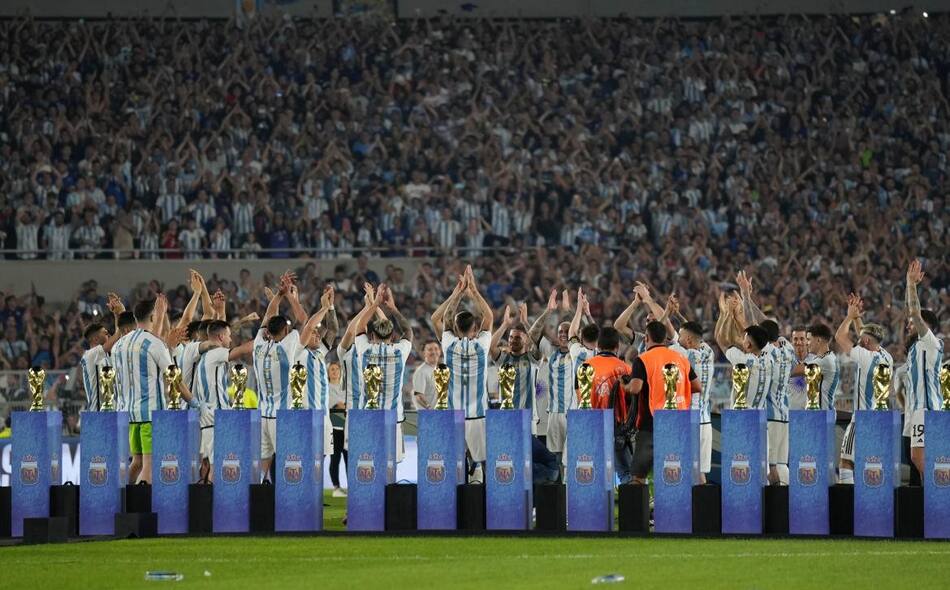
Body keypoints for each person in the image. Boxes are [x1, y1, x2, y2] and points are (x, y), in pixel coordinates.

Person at [111, 295, 199, 484]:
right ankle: (144, 509)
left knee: (137, 462)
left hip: (129, 414)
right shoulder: (154, 344)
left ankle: (122, 500)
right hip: (150, 414)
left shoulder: (119, 345)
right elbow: (173, 377)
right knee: (149, 465)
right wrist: (195, 403)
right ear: (152, 317)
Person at [431, 265, 493, 483]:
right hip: (478, 414)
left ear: (455, 329)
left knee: (455, 459)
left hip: (454, 413)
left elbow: (438, 319)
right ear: (474, 328)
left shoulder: (449, 344)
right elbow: (489, 316)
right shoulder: (482, 345)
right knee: (485, 460)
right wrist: (473, 291)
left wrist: (456, 294)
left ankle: (455, 502)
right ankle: (489, 500)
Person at [628, 321, 699, 484]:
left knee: (639, 476)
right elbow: (696, 386)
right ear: (666, 339)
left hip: (651, 424)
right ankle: (675, 508)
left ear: (646, 338)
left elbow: (635, 388)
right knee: (673, 473)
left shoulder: (643, 359)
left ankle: (642, 509)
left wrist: (625, 386)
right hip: (678, 422)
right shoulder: (680, 358)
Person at [834, 293, 893, 485]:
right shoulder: (886, 356)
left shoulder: (865, 358)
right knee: (871, 463)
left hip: (862, 418)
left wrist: (850, 316)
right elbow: (863, 335)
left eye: (861, 339)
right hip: (880, 418)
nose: (858, 340)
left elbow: (840, 336)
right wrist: (858, 316)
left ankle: (848, 502)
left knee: (846, 461)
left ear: (866, 343)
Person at [252, 272, 303, 481]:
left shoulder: (258, 344)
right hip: (281, 415)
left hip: (262, 414)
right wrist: (290, 296)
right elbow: (303, 320)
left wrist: (278, 296)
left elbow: (267, 317)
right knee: (286, 458)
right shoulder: (287, 346)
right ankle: (286, 502)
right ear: (285, 330)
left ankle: (260, 498)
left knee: (263, 460)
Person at [354, 284, 413, 462]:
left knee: (368, 463)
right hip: (392, 417)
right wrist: (392, 308)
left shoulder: (364, 350)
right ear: (393, 336)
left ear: (371, 336)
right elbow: (408, 331)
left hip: (368, 417)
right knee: (390, 464)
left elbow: (359, 326)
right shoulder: (400, 351)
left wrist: (374, 304)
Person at [192, 320, 253, 483]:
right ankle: (211, 506)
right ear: (220, 337)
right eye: (228, 336)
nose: (230, 340)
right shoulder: (216, 353)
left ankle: (204, 504)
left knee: (208, 464)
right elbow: (242, 350)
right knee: (216, 466)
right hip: (215, 417)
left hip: (208, 418)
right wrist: (263, 337)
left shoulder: (205, 357)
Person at [490, 290, 556, 433]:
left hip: (528, 416)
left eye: (517, 338)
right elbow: (490, 346)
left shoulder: (533, 358)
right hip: (506, 414)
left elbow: (536, 334)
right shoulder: (503, 358)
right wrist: (504, 325)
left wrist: (547, 312)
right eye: (511, 338)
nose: (513, 341)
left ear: (526, 340)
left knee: (527, 454)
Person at [903, 259, 944, 480]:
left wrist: (911, 285)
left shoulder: (931, 342)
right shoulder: (915, 348)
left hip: (926, 409)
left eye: (914, 323)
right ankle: (932, 503)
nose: (909, 325)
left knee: (921, 459)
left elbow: (915, 314)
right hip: (916, 410)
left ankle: (939, 498)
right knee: (920, 459)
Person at [584, 327, 635, 483]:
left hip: (590, 427)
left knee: (592, 474)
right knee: (626, 473)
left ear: (598, 346)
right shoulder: (625, 368)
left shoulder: (585, 367)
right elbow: (632, 400)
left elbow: (580, 397)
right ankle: (633, 507)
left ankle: (595, 506)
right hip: (617, 429)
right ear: (617, 346)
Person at [670, 320, 714, 483]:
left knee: (685, 472)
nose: (677, 338)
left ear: (688, 340)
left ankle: (688, 507)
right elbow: (693, 333)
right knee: (700, 474)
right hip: (705, 422)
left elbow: (669, 336)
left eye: (680, 336)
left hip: (690, 421)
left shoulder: (683, 354)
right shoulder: (709, 352)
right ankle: (704, 508)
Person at [79, 292, 125, 411]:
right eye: (105, 333)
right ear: (95, 338)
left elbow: (118, 337)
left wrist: (116, 315)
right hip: (98, 413)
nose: (108, 334)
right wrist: (120, 313)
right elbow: (117, 335)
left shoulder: (102, 356)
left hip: (110, 412)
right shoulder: (91, 354)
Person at [327, 362, 348, 497]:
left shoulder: (346, 388)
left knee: (348, 457)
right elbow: (339, 405)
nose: (335, 372)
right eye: (332, 370)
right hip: (334, 426)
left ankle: (352, 485)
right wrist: (343, 405)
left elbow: (346, 404)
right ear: (328, 373)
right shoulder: (326, 388)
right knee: (335, 458)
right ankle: (336, 488)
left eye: (337, 369)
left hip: (347, 426)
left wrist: (344, 406)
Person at [412, 340, 442, 410]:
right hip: (428, 415)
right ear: (424, 353)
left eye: (436, 349)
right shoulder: (421, 372)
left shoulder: (439, 370)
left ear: (440, 351)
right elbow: (418, 396)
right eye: (430, 350)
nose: (434, 352)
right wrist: (429, 408)